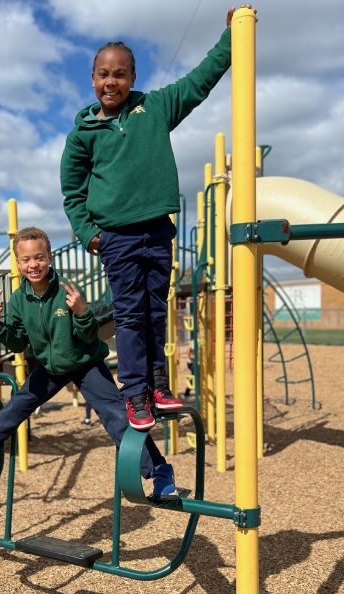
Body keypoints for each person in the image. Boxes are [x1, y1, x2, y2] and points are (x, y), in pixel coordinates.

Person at [60, 7, 243, 430]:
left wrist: (231, 38)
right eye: (104, 74)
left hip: (157, 230)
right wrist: (90, 235)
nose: (111, 82)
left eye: (120, 74)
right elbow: (73, 192)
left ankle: (157, 384)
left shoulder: (155, 108)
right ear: (92, 79)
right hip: (116, 237)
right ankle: (135, 394)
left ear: (132, 78)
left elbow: (199, 82)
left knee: (155, 311)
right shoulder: (83, 133)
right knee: (128, 315)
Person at [0, 227, 178, 499]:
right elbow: (18, 344)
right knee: (16, 406)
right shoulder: (19, 299)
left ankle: (160, 471)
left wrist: (82, 313)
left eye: (39, 258)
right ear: (18, 264)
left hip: (85, 363)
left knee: (116, 418)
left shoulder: (66, 289)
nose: (34, 265)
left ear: (50, 257)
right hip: (51, 368)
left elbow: (89, 334)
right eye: (27, 260)